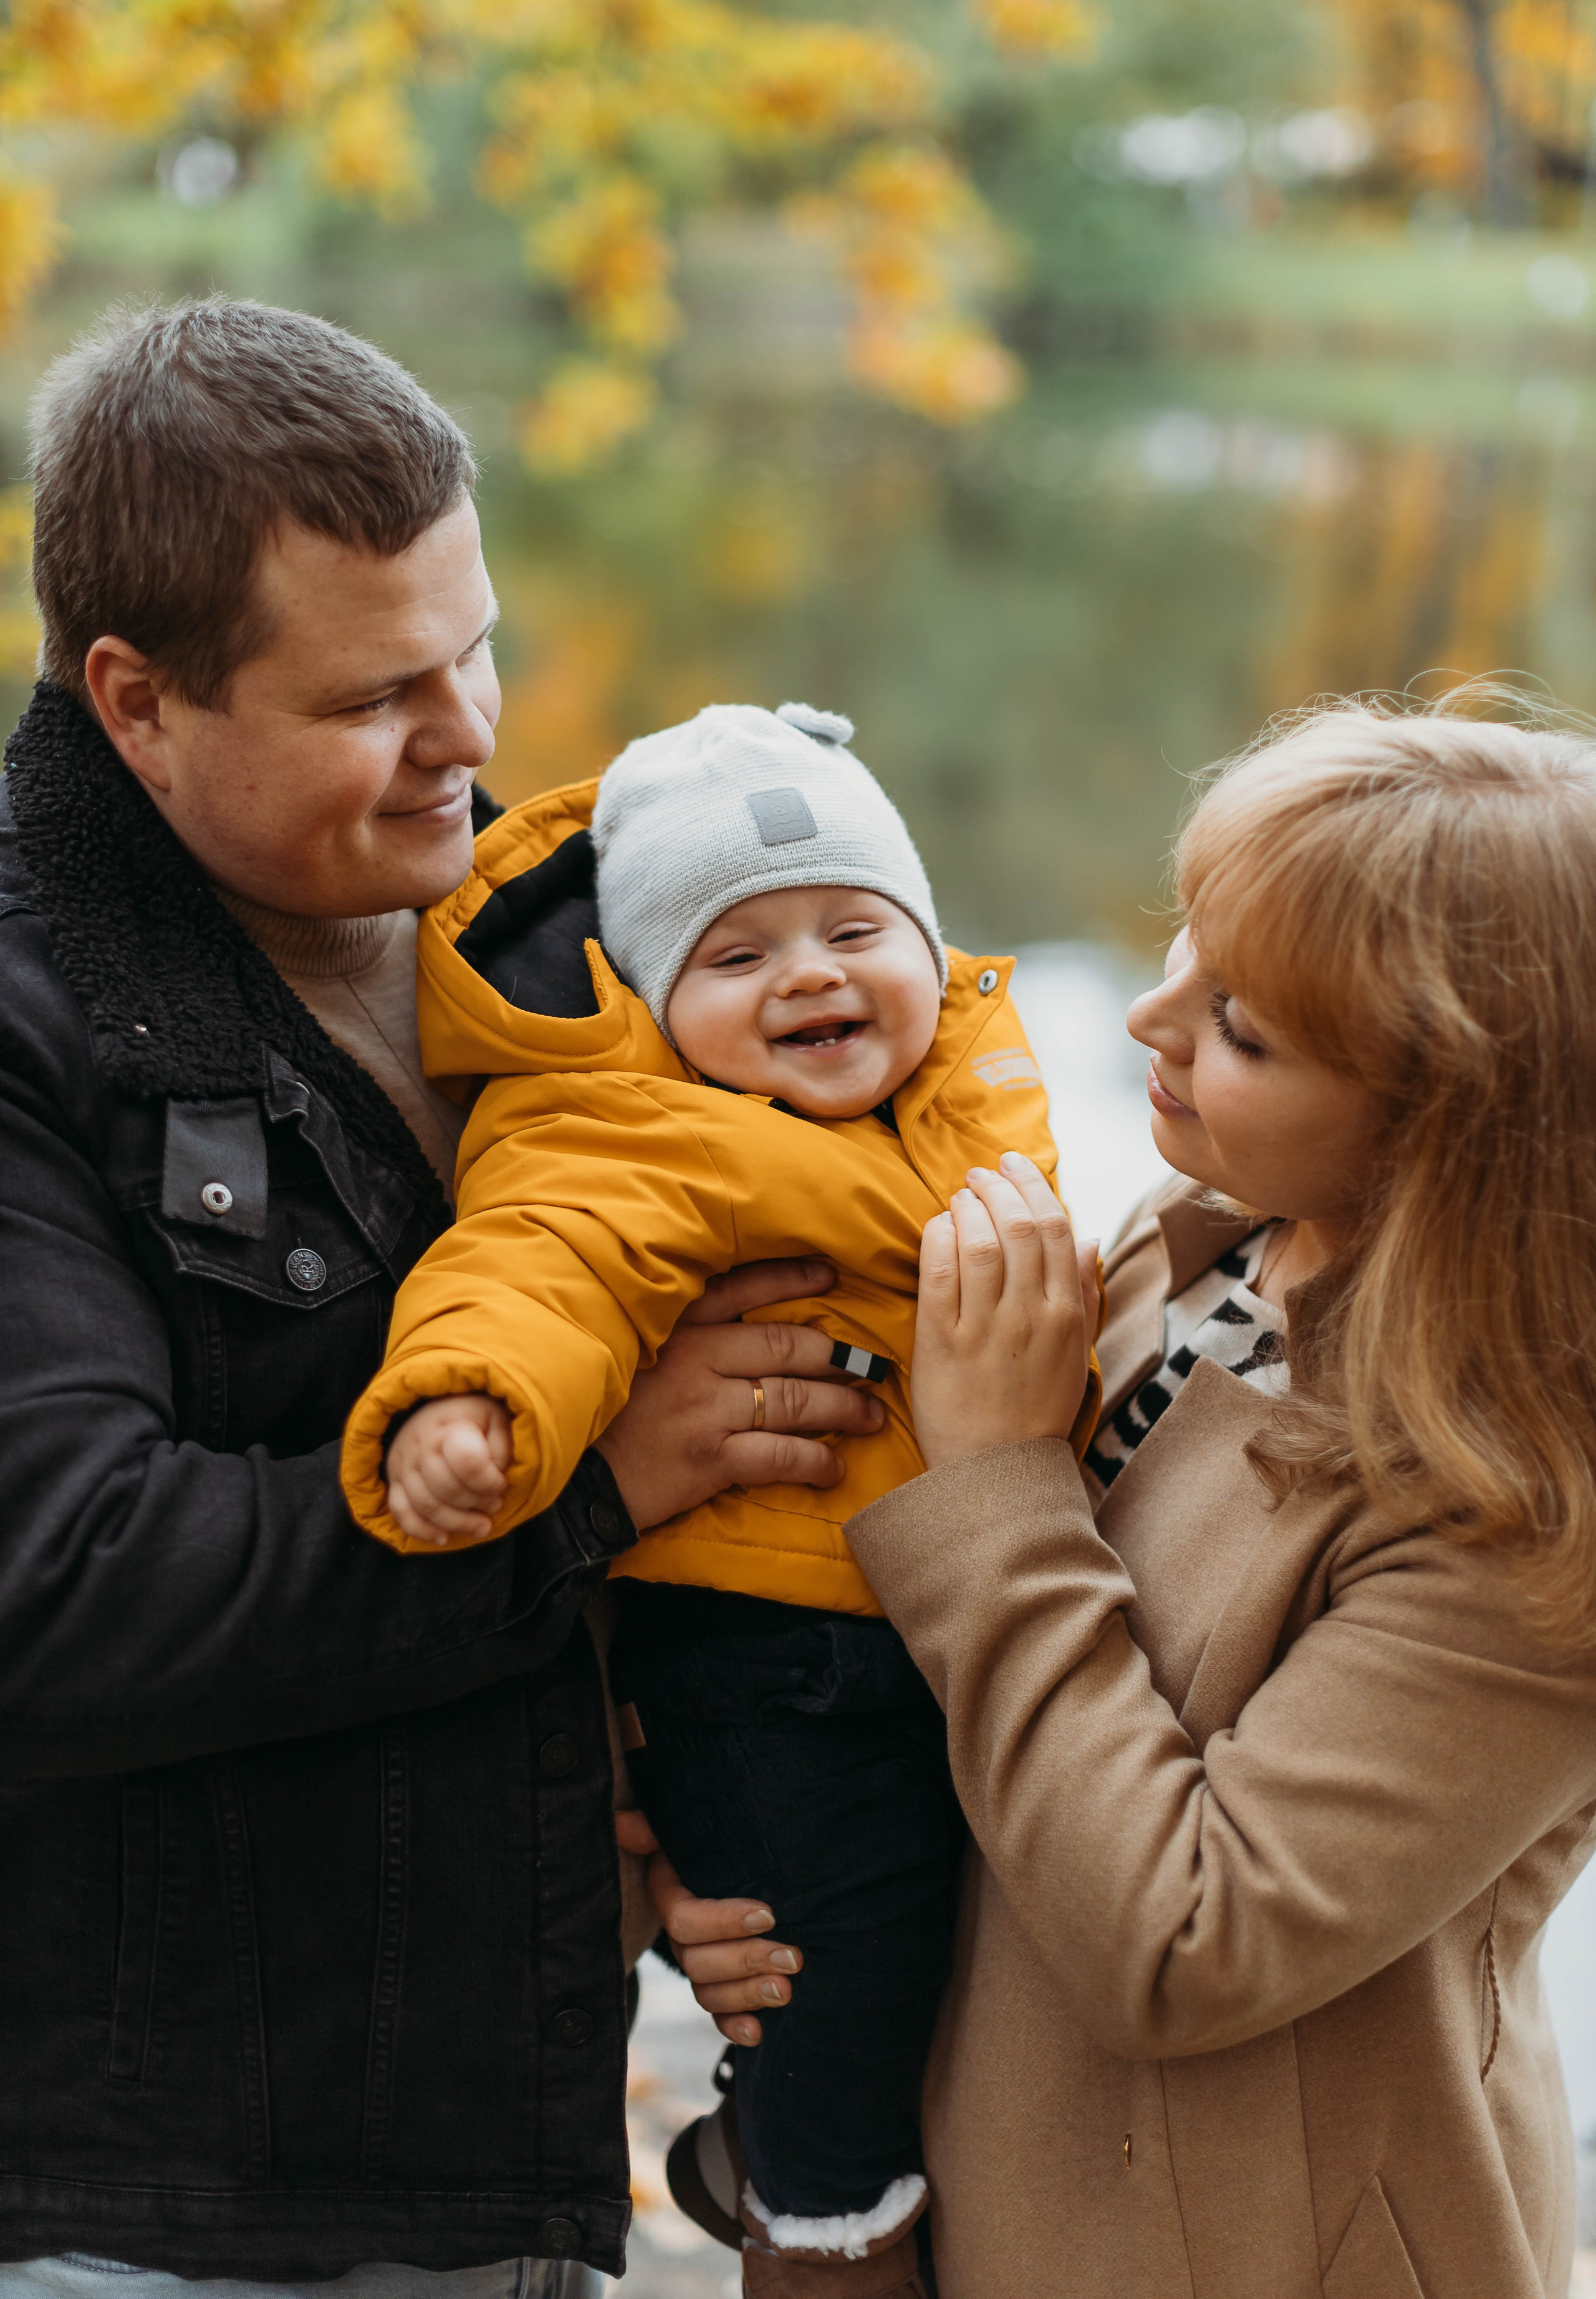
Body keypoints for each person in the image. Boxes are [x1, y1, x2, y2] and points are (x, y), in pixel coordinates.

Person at [0, 296, 870, 2296]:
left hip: (506, 2146)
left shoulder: (547, 937)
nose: (471, 734)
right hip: (178, 2212)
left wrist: (690, 1806)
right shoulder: (28, 1018)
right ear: (135, 701)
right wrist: (590, 1489)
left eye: (472, 645)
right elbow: (57, 1593)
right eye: (379, 693)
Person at [830, 701, 1596, 2299]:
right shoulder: (1189, 1250)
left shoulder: (1515, 1507)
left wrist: (992, 1480)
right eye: (1185, 945)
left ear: (1457, 1128)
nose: (1147, 1023)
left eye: (1242, 1029)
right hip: (992, 2200)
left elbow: (1182, 1941)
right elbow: (995, 1736)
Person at [335, 700, 1098, 2298]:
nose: (812, 974)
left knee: (959, 1974)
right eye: (736, 959)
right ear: (654, 1003)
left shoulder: (972, 1071)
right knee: (823, 1992)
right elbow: (534, 1266)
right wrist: (472, 1406)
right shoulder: (632, 1135)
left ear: (924, 937)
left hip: (953, 1619)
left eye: (850, 927)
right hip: (773, 1667)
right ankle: (821, 2220)